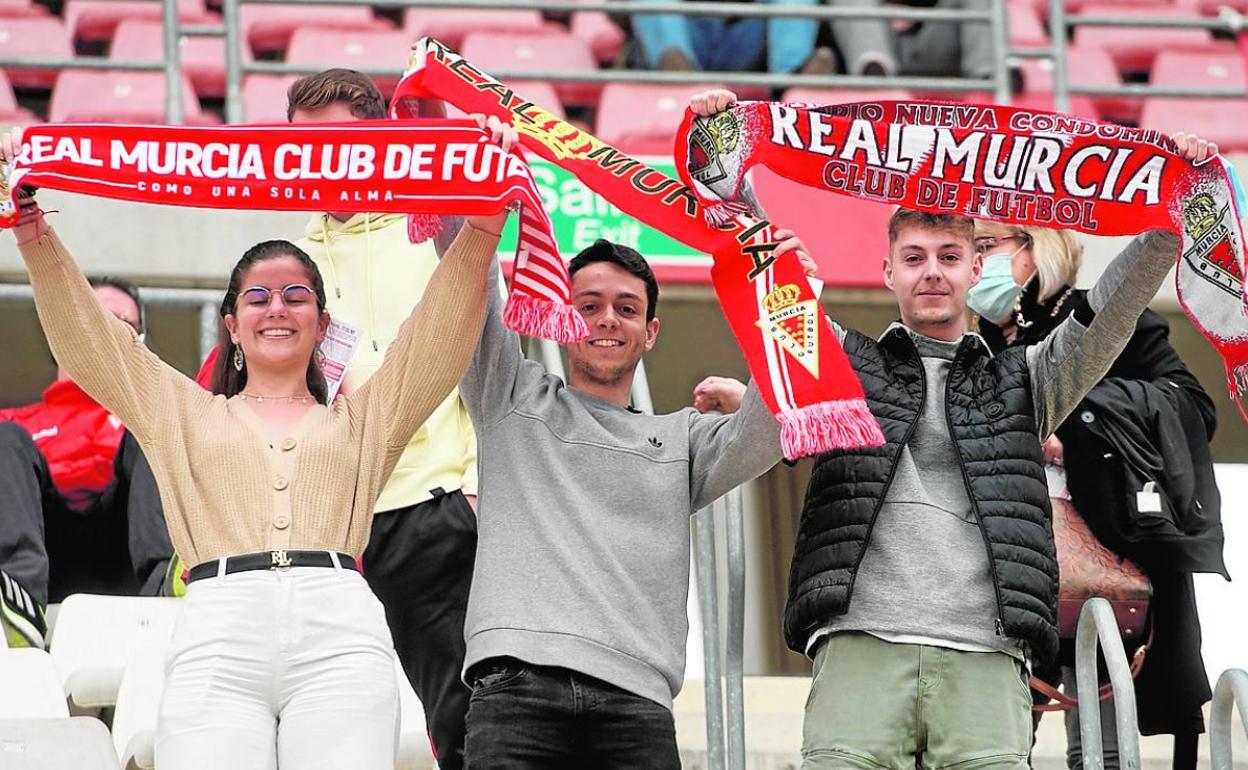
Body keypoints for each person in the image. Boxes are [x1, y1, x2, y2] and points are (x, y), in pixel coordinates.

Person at [686, 89, 1215, 770]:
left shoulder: (1026, 379)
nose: (931, 271)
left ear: (974, 270)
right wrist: (717, 147)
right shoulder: (838, 362)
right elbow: (759, 256)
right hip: (860, 648)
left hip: (988, 658)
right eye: (913, 258)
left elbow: (1113, 312)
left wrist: (1171, 214)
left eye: (947, 255)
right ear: (886, 273)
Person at [2, 118, 510, 769]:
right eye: (258, 296)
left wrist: (482, 224)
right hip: (216, 627)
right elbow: (93, 342)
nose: (277, 307)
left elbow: (436, 334)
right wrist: (33, 234)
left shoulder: (365, 419)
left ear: (323, 323)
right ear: (231, 326)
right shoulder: (180, 411)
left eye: (297, 294)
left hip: (340, 632)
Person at [459, 238, 784, 769]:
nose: (607, 319)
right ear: (562, 317)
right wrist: (477, 181)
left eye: (626, 308)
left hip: (636, 703)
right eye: (589, 306)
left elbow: (778, 425)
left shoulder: (684, 439)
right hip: (518, 688)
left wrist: (788, 287)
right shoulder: (509, 397)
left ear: (650, 331)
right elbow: (471, 285)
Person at [970, 221, 1227, 770]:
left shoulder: (1106, 315)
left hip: (1108, 549)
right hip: (1006, 564)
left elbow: (1190, 408)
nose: (975, 261)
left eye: (987, 246)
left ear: (1038, 247)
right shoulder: (973, 339)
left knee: (1103, 748)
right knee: (993, 746)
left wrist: (1076, 428)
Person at [0, 277, 148, 646]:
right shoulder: (13, 424)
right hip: (40, 556)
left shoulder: (148, 418)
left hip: (131, 550)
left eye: (125, 324)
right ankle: (16, 606)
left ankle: (170, 590)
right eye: (95, 317)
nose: (109, 330)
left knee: (157, 430)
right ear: (60, 327)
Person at [631, 0, 839, 75]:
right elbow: (617, 14)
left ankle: (795, 79)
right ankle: (675, 72)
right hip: (687, 31)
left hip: (746, 31)